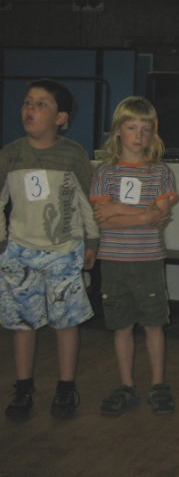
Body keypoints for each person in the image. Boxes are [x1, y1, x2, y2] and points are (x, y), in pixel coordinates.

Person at [0, 78, 99, 421]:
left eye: (41, 104)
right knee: (23, 323)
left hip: (64, 251)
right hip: (19, 250)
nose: (31, 109)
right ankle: (23, 388)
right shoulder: (11, 153)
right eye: (28, 102)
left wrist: (92, 241)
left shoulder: (73, 154)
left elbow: (88, 202)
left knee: (66, 322)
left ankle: (65, 388)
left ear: (61, 118)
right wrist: (3, 244)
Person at [90, 96, 179, 417]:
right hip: (114, 261)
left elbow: (160, 214)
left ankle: (158, 384)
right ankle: (126, 385)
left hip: (148, 260)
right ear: (118, 131)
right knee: (122, 325)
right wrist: (143, 214)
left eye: (146, 128)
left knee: (154, 323)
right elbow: (103, 219)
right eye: (132, 127)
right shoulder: (104, 173)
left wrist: (120, 210)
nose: (139, 135)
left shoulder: (160, 172)